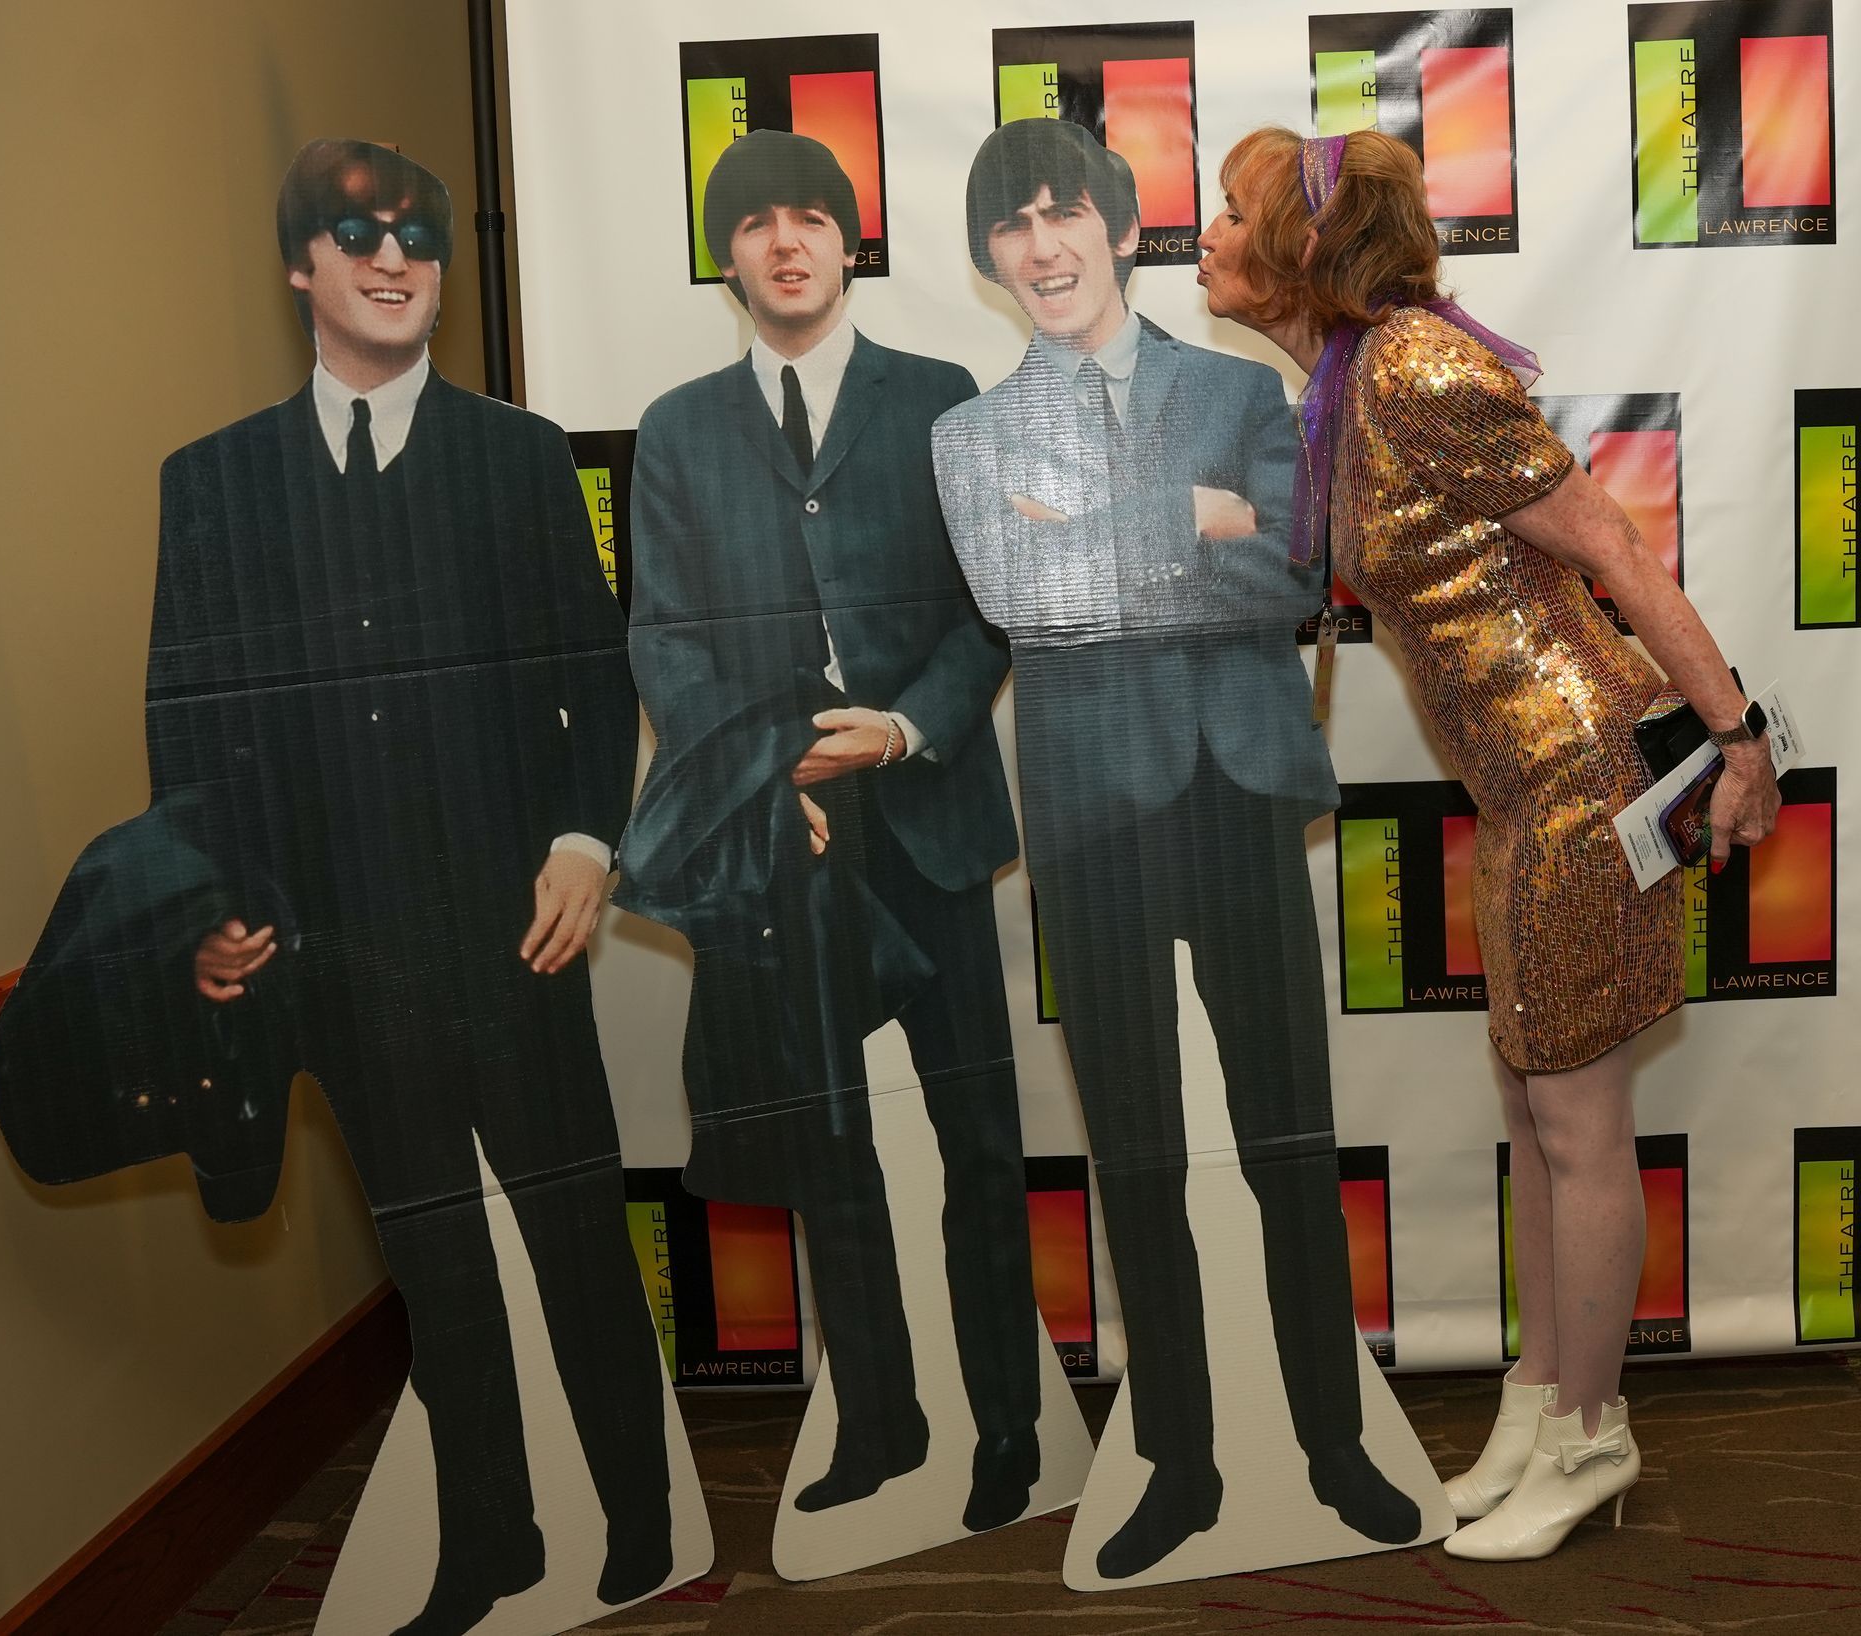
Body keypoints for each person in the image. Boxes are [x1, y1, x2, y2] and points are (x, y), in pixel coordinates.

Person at [1197, 126, 1782, 1561]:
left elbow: (1615, 551)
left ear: (1298, 255)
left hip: (1583, 782)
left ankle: (1595, 1439)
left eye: (1226, 219)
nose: (1201, 239)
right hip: (1522, 794)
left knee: (1578, 1130)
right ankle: (1539, 1407)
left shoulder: (1417, 369)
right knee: (1536, 1116)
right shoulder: (1351, 379)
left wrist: (1743, 736)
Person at [152, 140, 673, 1631]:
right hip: (342, 960)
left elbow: (592, 668)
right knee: (437, 1262)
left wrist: (587, 843)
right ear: (301, 266)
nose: (394, 261)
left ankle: (639, 1518)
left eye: (420, 241)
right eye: (357, 234)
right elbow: (184, 726)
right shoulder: (215, 485)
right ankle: (493, 1539)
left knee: (576, 1239)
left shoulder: (520, 456)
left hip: (518, 938)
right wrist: (208, 906)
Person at [931, 118, 1419, 1581]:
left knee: (1287, 1140)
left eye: (1064, 211)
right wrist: (1183, 521)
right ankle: (1183, 1468)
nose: (1043, 244)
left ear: (1122, 227)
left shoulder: (1243, 386)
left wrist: (1121, 530)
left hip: (1240, 793)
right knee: (1135, 1155)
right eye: (1013, 225)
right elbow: (1029, 604)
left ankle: (1336, 1450)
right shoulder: (970, 438)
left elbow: (1287, 578)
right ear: (988, 258)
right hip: (1090, 819)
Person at [617, 129, 1047, 1532]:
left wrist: (906, 729)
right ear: (727, 256)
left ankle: (1010, 1428)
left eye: (811, 217)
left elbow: (991, 611)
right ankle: (880, 1421)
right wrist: (767, 775)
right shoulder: (678, 429)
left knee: (982, 1142)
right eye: (754, 223)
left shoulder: (941, 401)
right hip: (779, 841)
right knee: (833, 1150)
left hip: (922, 818)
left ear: (848, 244)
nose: (785, 242)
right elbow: (666, 640)